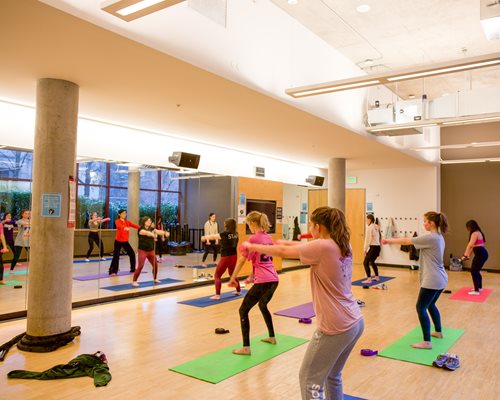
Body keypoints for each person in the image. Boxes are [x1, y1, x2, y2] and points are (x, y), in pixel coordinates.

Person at [242, 206, 364, 399]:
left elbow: (283, 251)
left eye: (312, 225)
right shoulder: (342, 243)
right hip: (355, 321)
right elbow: (300, 248)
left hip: (335, 325)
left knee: (309, 379)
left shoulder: (322, 247)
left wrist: (253, 246)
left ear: (318, 227)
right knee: (333, 375)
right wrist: (287, 243)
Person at [382, 211, 448, 349]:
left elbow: (407, 241)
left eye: (425, 221)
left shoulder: (431, 238)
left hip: (432, 279)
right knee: (430, 305)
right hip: (440, 278)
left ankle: (427, 342)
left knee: (420, 307)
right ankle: (438, 332)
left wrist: (388, 240)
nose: (423, 223)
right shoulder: (439, 237)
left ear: (431, 223)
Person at [229, 211, 279, 356]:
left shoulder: (253, 239)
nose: (249, 227)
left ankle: (246, 347)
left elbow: (242, 259)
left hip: (264, 281)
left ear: (252, 224)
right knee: (263, 305)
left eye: (248, 224)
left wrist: (233, 277)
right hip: (274, 280)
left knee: (243, 310)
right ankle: (272, 337)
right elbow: (263, 261)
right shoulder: (268, 238)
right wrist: (252, 276)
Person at [201, 218, 240, 300]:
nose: (224, 225)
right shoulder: (236, 233)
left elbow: (213, 236)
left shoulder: (224, 234)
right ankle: (238, 291)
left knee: (217, 275)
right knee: (232, 274)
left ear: (227, 225)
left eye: (225, 223)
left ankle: (217, 295)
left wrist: (204, 237)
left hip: (226, 257)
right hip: (234, 256)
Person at [132, 216, 169, 287]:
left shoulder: (152, 229)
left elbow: (158, 231)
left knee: (155, 265)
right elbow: (146, 233)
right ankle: (134, 281)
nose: (150, 222)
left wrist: (164, 233)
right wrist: (153, 234)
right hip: (143, 250)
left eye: (150, 221)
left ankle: (155, 278)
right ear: (144, 222)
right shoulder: (140, 229)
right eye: (148, 221)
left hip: (151, 250)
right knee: (141, 265)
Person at [461, 220, 488, 295]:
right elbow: (475, 246)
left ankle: (476, 291)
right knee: (476, 270)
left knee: (474, 271)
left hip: (480, 255)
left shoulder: (474, 233)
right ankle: (479, 287)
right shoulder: (479, 232)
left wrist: (465, 255)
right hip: (482, 254)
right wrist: (467, 255)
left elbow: (470, 245)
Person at [108, 209, 139, 276]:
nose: (125, 214)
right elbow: (119, 226)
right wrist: (125, 228)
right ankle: (113, 271)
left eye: (125, 213)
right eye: (123, 213)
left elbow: (135, 226)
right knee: (116, 256)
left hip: (125, 241)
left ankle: (133, 269)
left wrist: (142, 228)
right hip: (118, 241)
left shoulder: (127, 222)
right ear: (119, 214)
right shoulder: (117, 221)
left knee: (132, 254)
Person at [362, 214, 381, 283]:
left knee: (365, 262)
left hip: (373, 247)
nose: (366, 221)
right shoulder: (376, 227)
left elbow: (368, 240)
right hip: (378, 247)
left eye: (366, 220)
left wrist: (365, 249)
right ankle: (376, 277)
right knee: (372, 261)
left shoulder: (370, 227)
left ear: (370, 220)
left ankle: (369, 279)